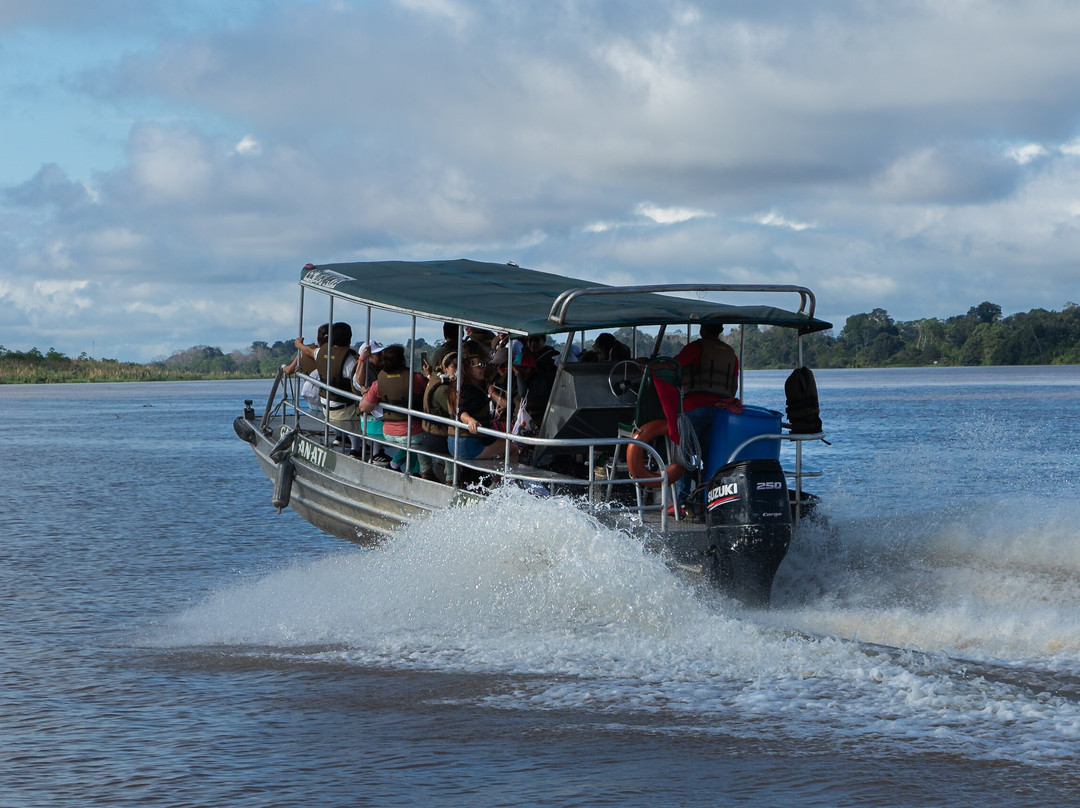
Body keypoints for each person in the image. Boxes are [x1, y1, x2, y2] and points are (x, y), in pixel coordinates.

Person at [672, 322, 740, 509]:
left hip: (693, 408)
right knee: (711, 459)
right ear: (720, 331)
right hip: (720, 412)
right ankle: (709, 501)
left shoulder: (695, 348)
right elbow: (733, 386)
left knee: (684, 455)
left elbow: (673, 367)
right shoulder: (730, 353)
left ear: (702, 330)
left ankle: (682, 502)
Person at [358, 343, 434, 479]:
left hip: (388, 432)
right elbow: (431, 392)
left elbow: (364, 407)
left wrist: (365, 392)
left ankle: (412, 470)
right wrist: (429, 374)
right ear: (403, 361)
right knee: (419, 440)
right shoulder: (416, 378)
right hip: (413, 431)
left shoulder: (378, 382)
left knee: (411, 441)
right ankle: (423, 471)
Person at [447, 354, 517, 462]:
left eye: (483, 365)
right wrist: (470, 420)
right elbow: (461, 411)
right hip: (467, 444)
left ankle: (495, 478)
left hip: (453, 441)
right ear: (468, 370)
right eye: (479, 366)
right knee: (512, 448)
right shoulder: (471, 391)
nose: (483, 369)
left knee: (497, 448)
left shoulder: (456, 388)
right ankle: (507, 479)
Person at [314, 322, 364, 456]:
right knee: (367, 407)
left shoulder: (320, 352)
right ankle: (356, 447)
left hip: (326, 407)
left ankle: (341, 438)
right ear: (349, 339)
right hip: (342, 411)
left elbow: (309, 351)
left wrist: (300, 345)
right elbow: (358, 385)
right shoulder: (350, 361)